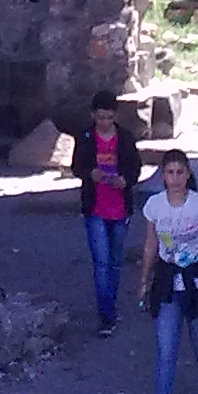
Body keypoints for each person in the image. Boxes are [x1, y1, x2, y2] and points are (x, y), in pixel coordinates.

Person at [137, 150, 198, 394]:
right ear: (163, 175)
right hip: (168, 281)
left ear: (188, 174)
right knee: (166, 349)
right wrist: (144, 280)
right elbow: (150, 245)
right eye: (170, 173)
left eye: (179, 172)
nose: (175, 179)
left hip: (196, 279)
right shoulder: (154, 206)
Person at [70, 90, 143, 336]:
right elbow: (76, 166)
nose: (104, 122)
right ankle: (107, 315)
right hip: (95, 208)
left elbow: (135, 167)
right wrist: (90, 173)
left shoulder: (125, 138)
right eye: (101, 117)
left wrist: (126, 180)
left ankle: (109, 302)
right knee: (101, 262)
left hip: (120, 207)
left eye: (109, 117)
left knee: (115, 261)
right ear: (93, 115)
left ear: (115, 116)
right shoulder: (86, 137)